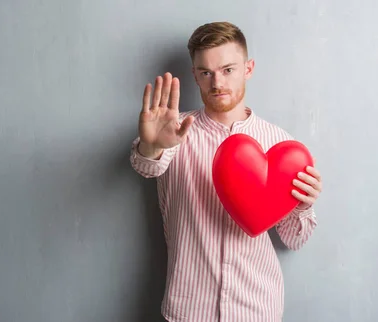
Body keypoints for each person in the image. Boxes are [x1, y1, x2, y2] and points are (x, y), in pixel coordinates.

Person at [129, 21, 323, 322]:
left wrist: (304, 205)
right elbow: (145, 166)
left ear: (248, 68)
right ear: (195, 75)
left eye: (228, 69)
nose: (217, 82)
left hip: (257, 309)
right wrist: (151, 146)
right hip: (189, 309)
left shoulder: (283, 146)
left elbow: (293, 241)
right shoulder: (174, 131)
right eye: (206, 72)